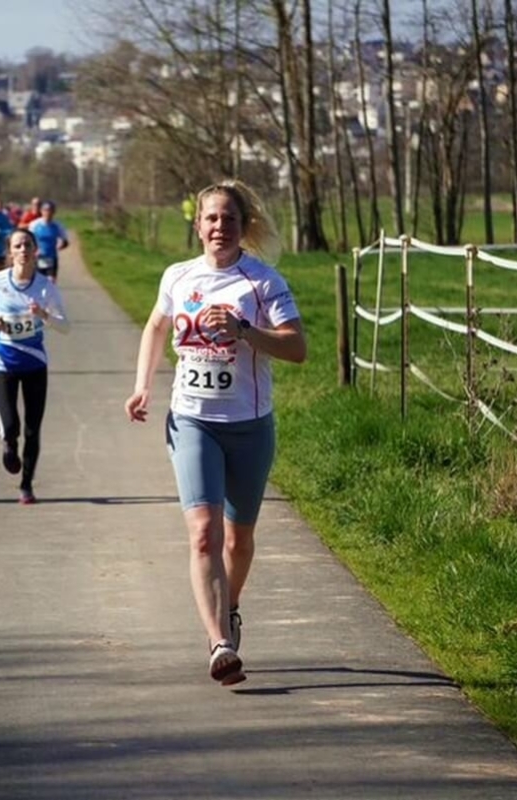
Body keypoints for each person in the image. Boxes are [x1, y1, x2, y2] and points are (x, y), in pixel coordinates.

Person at [123, 179, 306, 686]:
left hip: (248, 426)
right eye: (210, 218)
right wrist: (142, 386)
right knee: (203, 534)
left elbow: (297, 348)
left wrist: (246, 332)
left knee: (239, 539)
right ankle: (220, 641)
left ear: (243, 226)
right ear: (197, 225)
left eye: (229, 218)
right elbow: (157, 327)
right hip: (192, 419)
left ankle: (231, 605)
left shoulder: (262, 282)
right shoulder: (178, 276)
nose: (219, 227)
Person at [0, 228, 69, 504]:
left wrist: (44, 315)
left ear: (35, 250)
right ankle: (8, 445)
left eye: (28, 245)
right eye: (18, 246)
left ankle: (26, 485)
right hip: (4, 364)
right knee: (12, 425)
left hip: (35, 364)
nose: (23, 250)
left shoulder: (46, 286)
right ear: (10, 252)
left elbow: (66, 326)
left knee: (33, 429)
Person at [28, 200, 69, 282]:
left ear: (54, 212)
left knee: (50, 282)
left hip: (51, 258)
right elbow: (28, 240)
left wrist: (61, 244)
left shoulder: (58, 225)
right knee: (36, 282)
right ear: (41, 211)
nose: (48, 213)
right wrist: (34, 250)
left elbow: (65, 241)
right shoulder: (34, 225)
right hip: (37, 258)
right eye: (46, 210)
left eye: (50, 211)